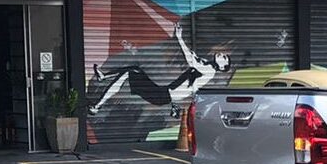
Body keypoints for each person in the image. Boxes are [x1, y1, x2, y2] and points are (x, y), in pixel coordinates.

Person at [88, 24, 230, 117]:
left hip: (163, 95)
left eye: (224, 58)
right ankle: (103, 78)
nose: (222, 55)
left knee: (129, 73)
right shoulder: (206, 64)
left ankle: (97, 105)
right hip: (164, 93)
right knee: (134, 70)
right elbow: (192, 57)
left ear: (222, 67)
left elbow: (190, 61)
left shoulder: (210, 71)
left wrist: (179, 38)